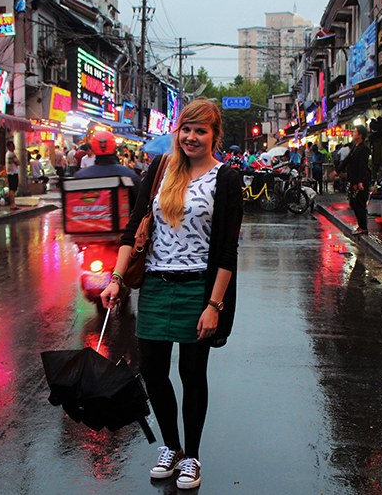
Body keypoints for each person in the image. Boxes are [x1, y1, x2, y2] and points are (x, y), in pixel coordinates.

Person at [100, 99, 243, 491]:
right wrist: (115, 278)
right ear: (177, 132)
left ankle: (192, 457)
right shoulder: (160, 170)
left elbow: (228, 250)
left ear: (214, 136)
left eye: (201, 131)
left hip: (198, 287)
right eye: (186, 129)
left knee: (192, 374)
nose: (191, 137)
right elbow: (134, 229)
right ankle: (172, 447)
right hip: (157, 287)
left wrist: (214, 305)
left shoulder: (226, 179)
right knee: (152, 371)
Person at [75, 131, 141, 206]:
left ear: (93, 148)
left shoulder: (80, 176)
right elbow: (139, 206)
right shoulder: (129, 175)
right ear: (114, 147)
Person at [330, 125, 371, 235]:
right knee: (354, 202)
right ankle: (361, 225)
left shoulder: (364, 148)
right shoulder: (355, 146)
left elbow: (363, 165)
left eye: (355, 131)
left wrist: (361, 181)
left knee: (359, 203)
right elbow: (347, 160)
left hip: (359, 181)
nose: (353, 133)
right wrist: (337, 171)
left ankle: (363, 227)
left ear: (360, 135)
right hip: (353, 179)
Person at [5, 140, 20, 210]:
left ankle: (12, 204)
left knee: (12, 189)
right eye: (12, 145)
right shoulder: (11, 154)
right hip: (13, 173)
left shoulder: (8, 154)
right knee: (12, 189)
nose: (14, 147)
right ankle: (12, 204)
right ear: (9, 146)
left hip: (10, 173)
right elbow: (18, 162)